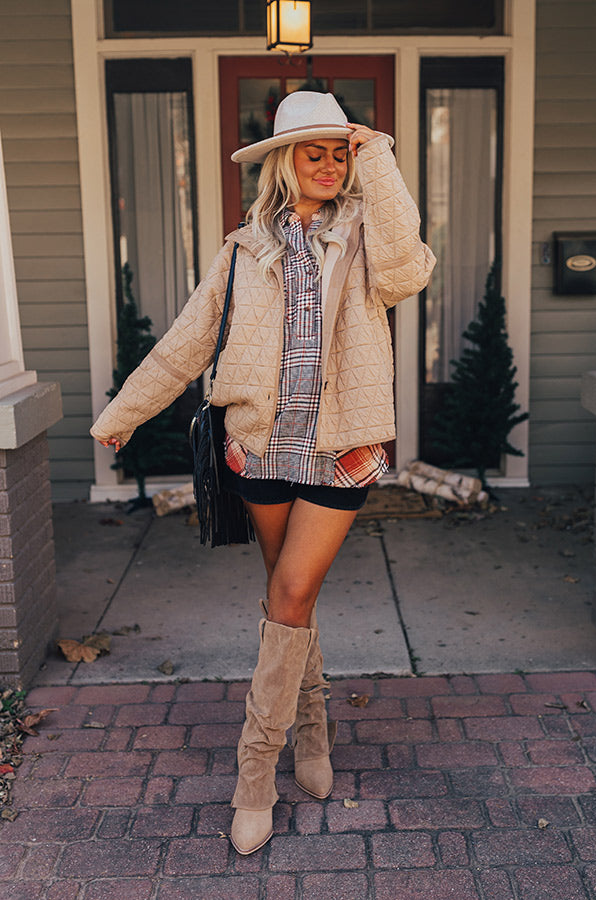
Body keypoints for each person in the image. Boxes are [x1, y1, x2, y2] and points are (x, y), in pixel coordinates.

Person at [91, 90, 436, 856]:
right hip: (260, 449)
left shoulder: (366, 234)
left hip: (342, 450)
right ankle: (312, 730)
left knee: (290, 591)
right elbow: (187, 341)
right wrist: (123, 413)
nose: (330, 164)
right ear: (283, 160)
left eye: (339, 152)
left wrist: (379, 155)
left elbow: (410, 270)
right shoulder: (243, 248)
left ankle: (254, 778)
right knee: (290, 598)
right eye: (315, 152)